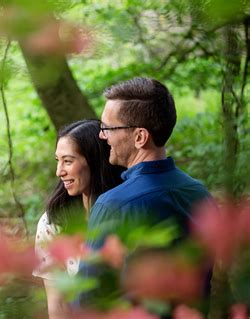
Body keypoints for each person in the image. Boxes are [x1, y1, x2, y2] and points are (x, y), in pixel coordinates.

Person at [78, 77, 211, 306]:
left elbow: (87, 298)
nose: (101, 135)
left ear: (140, 137)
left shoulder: (113, 205)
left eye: (107, 127)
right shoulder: (199, 194)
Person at [33, 119, 124, 319]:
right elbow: (58, 303)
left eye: (68, 161)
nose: (59, 171)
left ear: (94, 160)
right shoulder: (52, 223)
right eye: (58, 161)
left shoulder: (126, 211)